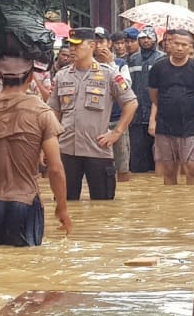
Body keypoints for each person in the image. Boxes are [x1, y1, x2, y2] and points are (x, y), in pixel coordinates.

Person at [0, 54, 71, 245]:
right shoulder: (42, 112)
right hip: (24, 201)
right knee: (25, 267)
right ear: (29, 78)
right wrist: (62, 207)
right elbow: (55, 168)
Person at [49, 28, 138, 200]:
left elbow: (131, 103)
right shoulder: (61, 76)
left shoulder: (109, 74)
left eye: (77, 45)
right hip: (67, 149)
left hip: (98, 149)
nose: (72, 49)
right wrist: (53, 138)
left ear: (91, 46)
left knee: (103, 205)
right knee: (65, 203)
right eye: (70, 45)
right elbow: (53, 109)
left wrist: (116, 132)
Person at [148, 28, 194, 185]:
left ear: (191, 47)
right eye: (176, 43)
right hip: (164, 123)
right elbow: (154, 95)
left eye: (184, 45)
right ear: (168, 44)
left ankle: (192, 204)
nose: (180, 48)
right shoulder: (158, 68)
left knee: (192, 167)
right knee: (168, 168)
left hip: (190, 124)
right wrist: (154, 119)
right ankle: (171, 203)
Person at [97, 28, 134, 183]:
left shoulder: (120, 64)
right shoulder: (86, 64)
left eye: (101, 42)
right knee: (98, 166)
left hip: (118, 120)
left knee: (122, 165)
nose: (98, 46)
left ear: (109, 43)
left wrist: (110, 65)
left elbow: (126, 88)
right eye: (95, 42)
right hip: (96, 121)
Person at [127, 26, 165, 173]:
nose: (145, 41)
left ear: (155, 39)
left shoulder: (161, 59)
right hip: (136, 116)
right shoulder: (132, 59)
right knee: (136, 161)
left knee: (157, 160)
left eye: (149, 38)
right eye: (142, 38)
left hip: (156, 115)